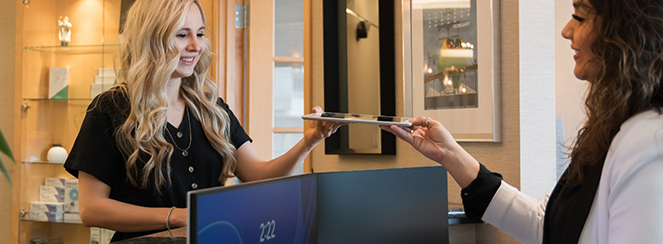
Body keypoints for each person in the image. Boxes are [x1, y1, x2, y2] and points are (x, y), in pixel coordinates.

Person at [382, 0, 663, 243]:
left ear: (629, 29)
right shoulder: (617, 129)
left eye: (580, 16)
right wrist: (449, 154)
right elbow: (548, 226)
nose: (566, 30)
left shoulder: (648, 142)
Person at [63, 0, 344, 242]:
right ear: (151, 38)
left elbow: (259, 175)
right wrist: (179, 217)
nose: (196, 46)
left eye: (199, 33)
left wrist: (310, 141)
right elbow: (92, 209)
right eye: (182, 35)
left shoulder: (211, 109)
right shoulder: (109, 109)